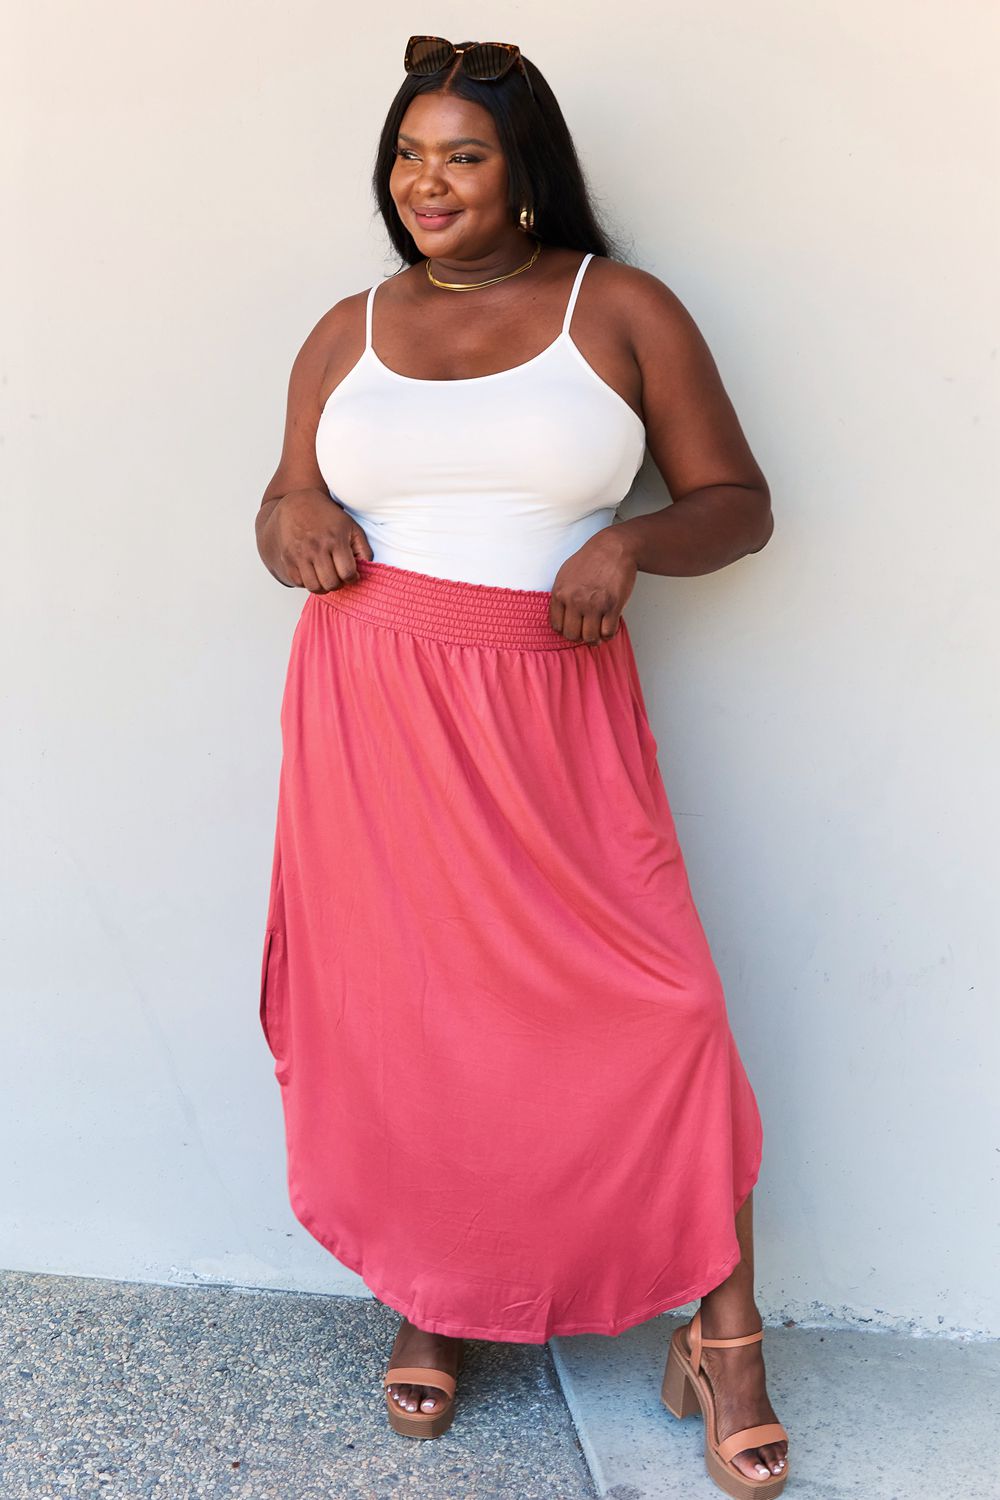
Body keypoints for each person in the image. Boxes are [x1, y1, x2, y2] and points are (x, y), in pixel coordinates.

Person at [254, 36, 789, 1498]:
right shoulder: (345, 327)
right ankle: (433, 1294)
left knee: (661, 1005)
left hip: (549, 704)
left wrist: (626, 542)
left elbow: (736, 502)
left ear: (527, 171)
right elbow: (293, 492)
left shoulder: (617, 307)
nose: (425, 183)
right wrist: (285, 516)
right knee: (409, 1009)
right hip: (372, 703)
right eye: (408, 156)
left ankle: (722, 1333)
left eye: (462, 156)